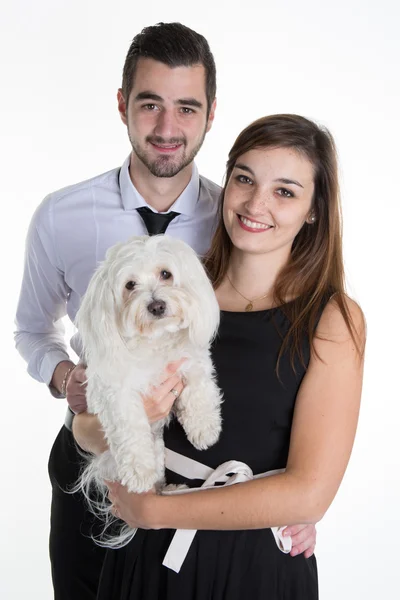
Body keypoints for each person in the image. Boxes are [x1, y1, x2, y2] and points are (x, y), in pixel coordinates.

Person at [14, 23, 317, 600]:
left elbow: (273, 345)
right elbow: (32, 328)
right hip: (98, 448)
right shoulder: (61, 215)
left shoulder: (238, 218)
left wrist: (292, 497)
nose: (167, 128)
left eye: (187, 107)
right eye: (150, 104)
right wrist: (64, 378)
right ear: (124, 104)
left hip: (202, 473)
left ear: (210, 114)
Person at [73, 113, 365, 599]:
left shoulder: (332, 317)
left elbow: (310, 492)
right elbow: (81, 425)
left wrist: (158, 511)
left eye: (285, 192)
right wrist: (128, 424)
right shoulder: (168, 283)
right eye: (244, 179)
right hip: (144, 561)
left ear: (314, 210)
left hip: (254, 566)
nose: (256, 203)